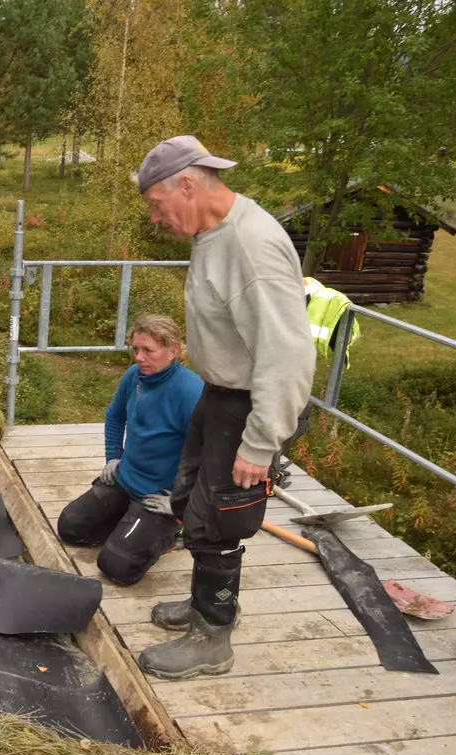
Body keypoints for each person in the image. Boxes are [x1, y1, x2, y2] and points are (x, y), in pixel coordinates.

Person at [132, 136, 315, 679]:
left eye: (157, 204)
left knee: (220, 519)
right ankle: (204, 604)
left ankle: (213, 638)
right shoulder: (211, 233)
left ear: (188, 185)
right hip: (219, 393)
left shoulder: (251, 246)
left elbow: (288, 353)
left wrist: (260, 443)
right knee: (190, 499)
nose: (155, 218)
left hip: (249, 405)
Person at [56, 315, 203, 585]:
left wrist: (182, 503)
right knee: (70, 527)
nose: (139, 357)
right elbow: (115, 416)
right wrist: (113, 457)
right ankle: (130, 523)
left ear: (172, 351)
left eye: (148, 350)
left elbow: (211, 453)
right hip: (125, 478)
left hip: (159, 495)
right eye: (135, 349)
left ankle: (173, 534)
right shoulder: (134, 376)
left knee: (117, 566)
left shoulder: (190, 392)